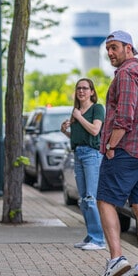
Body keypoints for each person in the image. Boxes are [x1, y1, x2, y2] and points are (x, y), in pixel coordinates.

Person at [95, 30, 138, 276]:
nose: (110, 53)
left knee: (105, 200)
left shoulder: (125, 75)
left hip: (126, 149)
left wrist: (111, 146)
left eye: (114, 47)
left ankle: (116, 258)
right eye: (107, 49)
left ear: (129, 48)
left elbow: (125, 117)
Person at [60, 78, 106, 251]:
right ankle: (90, 236)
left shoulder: (97, 109)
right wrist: (65, 131)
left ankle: (99, 240)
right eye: (79, 88)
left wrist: (78, 117)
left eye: (85, 88)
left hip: (92, 156)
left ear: (92, 92)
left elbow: (95, 130)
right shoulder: (76, 111)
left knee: (91, 198)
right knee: (83, 200)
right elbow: (78, 138)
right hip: (78, 154)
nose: (81, 91)